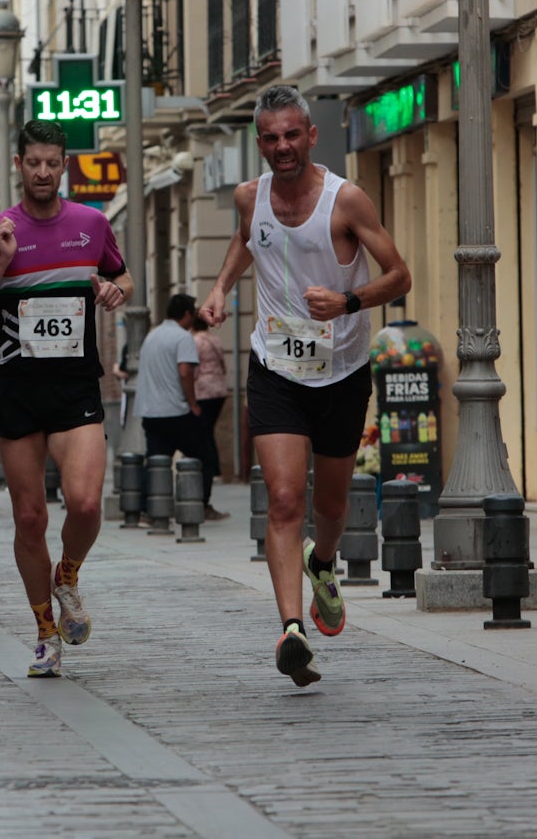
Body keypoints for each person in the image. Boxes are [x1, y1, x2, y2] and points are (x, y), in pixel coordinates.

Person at [198, 85, 411, 687]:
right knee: (286, 499)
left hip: (341, 370)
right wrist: (220, 288)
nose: (282, 146)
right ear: (259, 141)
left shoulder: (347, 201)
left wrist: (347, 300)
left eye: (293, 134)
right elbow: (248, 240)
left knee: (331, 504)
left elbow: (400, 275)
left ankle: (323, 564)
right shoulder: (250, 197)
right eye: (271, 137)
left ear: (311, 135)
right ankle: (293, 629)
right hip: (275, 368)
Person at [0, 119, 133, 678]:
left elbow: (124, 280)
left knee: (84, 504)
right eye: (32, 162)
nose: (42, 172)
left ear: (64, 165)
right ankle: (43, 633)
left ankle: (69, 576)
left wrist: (111, 290)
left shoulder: (91, 223)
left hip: (77, 384)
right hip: (17, 388)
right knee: (30, 517)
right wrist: (3, 263)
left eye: (52, 162)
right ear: (18, 165)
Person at [136, 293, 215, 499]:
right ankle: (201, 504)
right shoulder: (183, 337)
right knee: (203, 458)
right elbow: (184, 372)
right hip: (176, 411)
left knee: (156, 461)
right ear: (187, 314)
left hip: (151, 412)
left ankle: (146, 508)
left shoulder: (152, 336)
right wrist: (193, 404)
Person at [191, 312, 232, 521]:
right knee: (209, 431)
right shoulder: (215, 340)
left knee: (204, 433)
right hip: (220, 390)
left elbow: (193, 369)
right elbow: (223, 365)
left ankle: (212, 466)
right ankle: (214, 466)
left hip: (203, 392)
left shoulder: (195, 341)